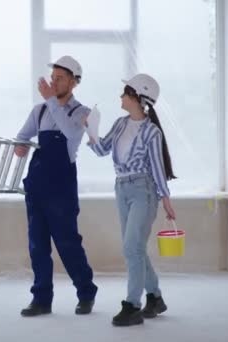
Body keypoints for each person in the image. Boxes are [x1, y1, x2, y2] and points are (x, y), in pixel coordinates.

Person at [87, 73, 176, 326]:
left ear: (138, 98)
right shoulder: (120, 124)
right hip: (122, 188)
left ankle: (132, 305)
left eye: (125, 93)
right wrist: (90, 130)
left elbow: (158, 169)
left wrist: (166, 200)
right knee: (134, 247)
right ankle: (155, 297)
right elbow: (102, 149)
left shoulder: (152, 133)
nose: (121, 97)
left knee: (131, 247)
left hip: (143, 190)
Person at [15, 56, 98, 317]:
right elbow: (22, 135)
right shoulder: (39, 110)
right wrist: (20, 145)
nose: (54, 82)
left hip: (61, 187)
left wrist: (51, 99)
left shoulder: (82, 113)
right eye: (53, 78)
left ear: (74, 82)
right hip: (37, 185)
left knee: (68, 243)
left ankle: (86, 293)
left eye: (60, 78)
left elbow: (71, 134)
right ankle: (41, 299)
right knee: (37, 245)